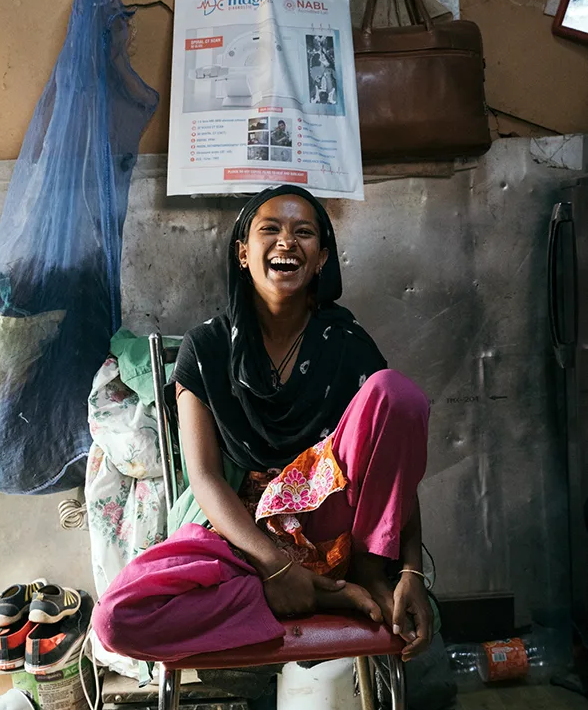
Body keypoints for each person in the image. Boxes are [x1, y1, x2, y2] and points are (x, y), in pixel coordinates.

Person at [93, 186, 434, 664]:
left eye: (304, 233)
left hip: (332, 528)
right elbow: (206, 478)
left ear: (321, 258)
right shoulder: (205, 348)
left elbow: (393, 464)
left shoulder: (346, 343)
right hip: (245, 535)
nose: (286, 242)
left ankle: (364, 575)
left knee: (395, 392)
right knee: (118, 617)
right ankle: (320, 593)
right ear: (243, 253)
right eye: (269, 229)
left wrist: (410, 572)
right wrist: (276, 569)